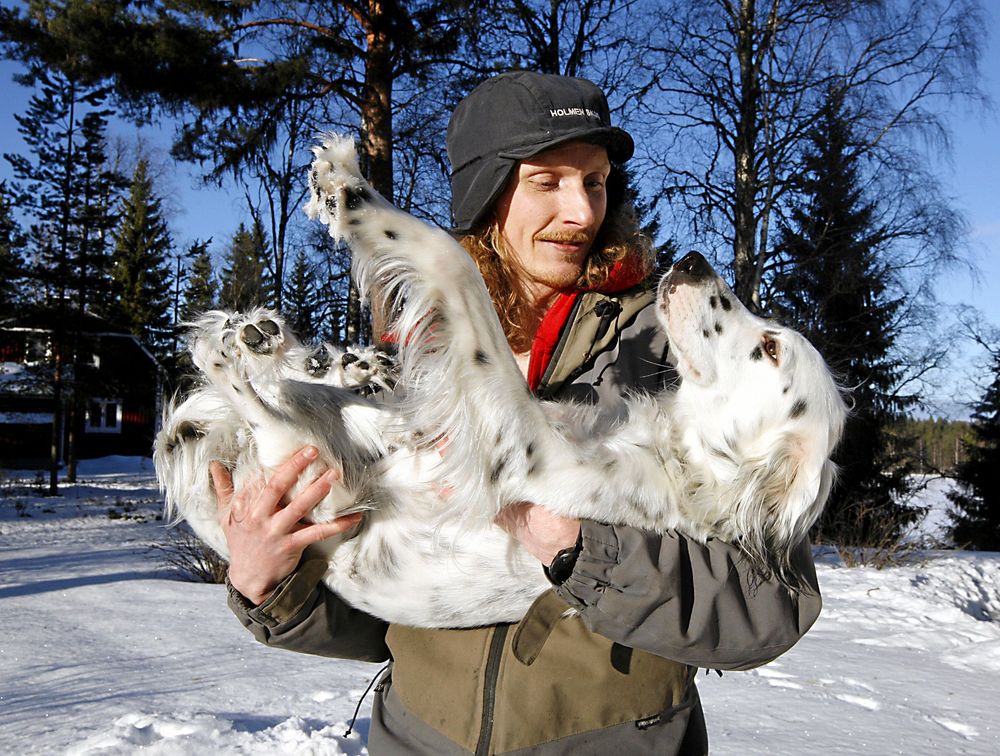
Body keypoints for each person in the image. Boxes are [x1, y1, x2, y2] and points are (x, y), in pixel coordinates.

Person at [210, 71, 822, 754]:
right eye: (547, 182)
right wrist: (268, 582)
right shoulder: (417, 349)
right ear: (488, 192)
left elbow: (769, 609)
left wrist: (580, 550)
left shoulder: (680, 351)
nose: (582, 211)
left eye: (595, 182)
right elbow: (388, 608)